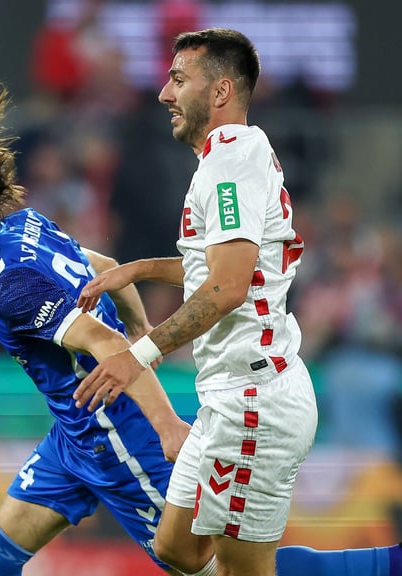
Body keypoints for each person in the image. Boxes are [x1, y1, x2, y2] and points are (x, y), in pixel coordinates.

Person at [0, 79, 402, 576]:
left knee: (225, 571)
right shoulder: (22, 226)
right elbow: (104, 265)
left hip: (117, 436)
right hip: (74, 436)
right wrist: (140, 324)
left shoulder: (9, 283)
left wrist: (164, 423)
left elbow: (104, 341)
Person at [75, 28, 402, 576]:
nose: (163, 93)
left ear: (221, 91)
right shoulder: (228, 159)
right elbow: (224, 270)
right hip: (229, 397)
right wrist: (139, 269)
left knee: (244, 571)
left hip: (255, 400)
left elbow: (226, 289)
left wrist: (139, 354)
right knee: (177, 550)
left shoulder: (233, 157)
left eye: (178, 79)